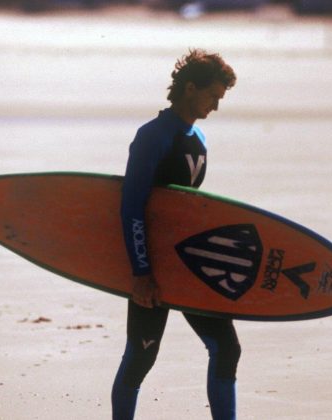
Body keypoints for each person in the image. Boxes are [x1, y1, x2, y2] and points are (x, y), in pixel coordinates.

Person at [111, 49, 240, 420]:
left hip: (190, 265)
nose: (216, 106)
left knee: (226, 348)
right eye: (212, 96)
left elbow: (189, 209)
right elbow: (131, 207)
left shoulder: (198, 138)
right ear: (189, 88)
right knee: (142, 355)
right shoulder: (153, 137)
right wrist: (141, 274)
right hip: (151, 268)